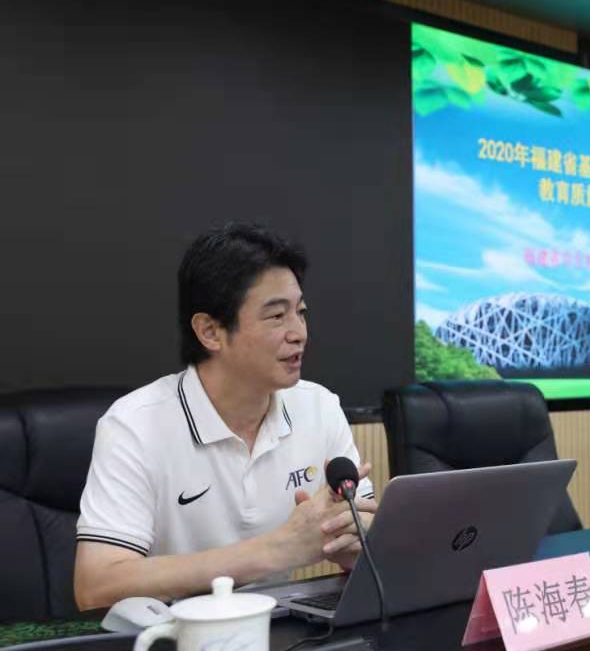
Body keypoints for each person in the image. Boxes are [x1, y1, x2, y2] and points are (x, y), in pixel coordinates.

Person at [74, 223, 375, 610]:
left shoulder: (319, 407)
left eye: (301, 312)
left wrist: (354, 539)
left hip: (281, 630)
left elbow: (367, 537)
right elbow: (96, 586)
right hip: (170, 636)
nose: (299, 332)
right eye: (276, 316)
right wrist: (275, 550)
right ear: (210, 332)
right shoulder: (135, 425)